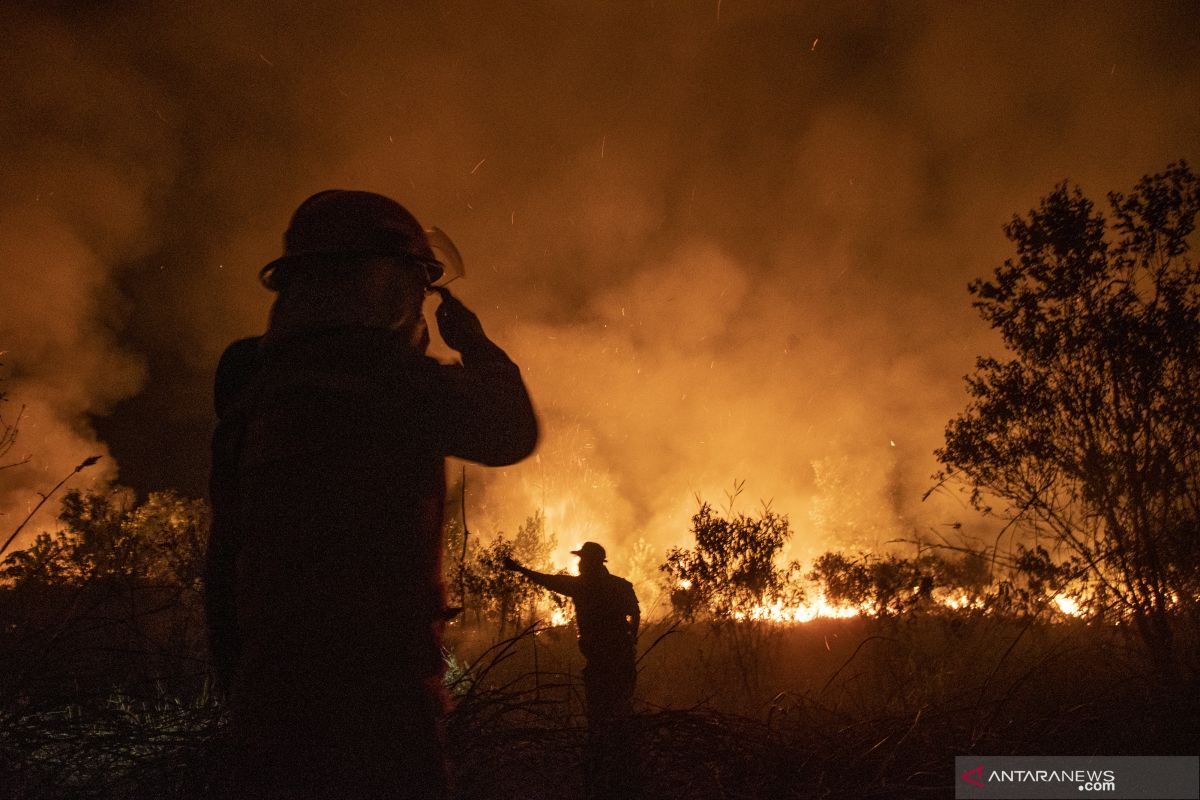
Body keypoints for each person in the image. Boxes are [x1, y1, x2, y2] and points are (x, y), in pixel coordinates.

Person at [204, 189, 538, 799]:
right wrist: (476, 345)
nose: (416, 308)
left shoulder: (255, 387)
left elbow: (223, 566)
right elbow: (511, 430)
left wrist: (248, 693)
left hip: (271, 700)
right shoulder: (391, 385)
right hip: (381, 710)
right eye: (414, 286)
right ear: (378, 282)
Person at [503, 542, 639, 798]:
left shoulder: (582, 587)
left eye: (582, 560)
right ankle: (624, 774)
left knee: (599, 718)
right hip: (621, 662)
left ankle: (602, 775)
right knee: (621, 712)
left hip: (600, 664)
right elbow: (635, 614)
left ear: (591, 563)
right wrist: (632, 642)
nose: (578, 563)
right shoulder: (621, 586)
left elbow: (548, 580)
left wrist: (519, 569)